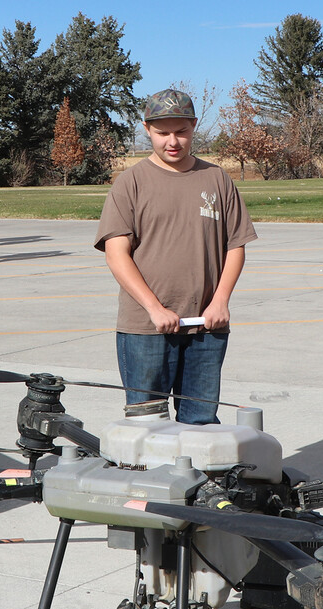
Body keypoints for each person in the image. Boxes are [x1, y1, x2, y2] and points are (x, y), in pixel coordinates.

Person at [94, 89, 256, 425]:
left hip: (206, 328)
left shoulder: (217, 179)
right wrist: (154, 308)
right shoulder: (130, 183)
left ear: (194, 126)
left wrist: (221, 301)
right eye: (162, 132)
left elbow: (235, 246)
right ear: (146, 129)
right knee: (145, 430)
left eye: (181, 131)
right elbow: (116, 254)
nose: (173, 141)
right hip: (145, 331)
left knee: (200, 425)